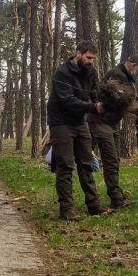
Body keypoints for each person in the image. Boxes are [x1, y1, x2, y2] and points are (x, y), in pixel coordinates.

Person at [47, 42, 111, 221]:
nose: (91, 62)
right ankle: (66, 210)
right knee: (66, 166)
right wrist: (94, 107)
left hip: (79, 121)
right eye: (88, 57)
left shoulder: (91, 72)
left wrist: (107, 100)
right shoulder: (62, 73)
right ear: (78, 54)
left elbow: (95, 93)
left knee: (86, 163)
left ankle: (94, 205)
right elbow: (67, 101)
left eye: (93, 59)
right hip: (60, 122)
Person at [86, 54, 138, 208]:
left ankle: (116, 194)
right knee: (110, 159)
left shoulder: (126, 77)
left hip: (112, 123)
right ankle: (114, 198)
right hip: (101, 122)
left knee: (114, 160)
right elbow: (122, 101)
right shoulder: (116, 75)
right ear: (133, 65)